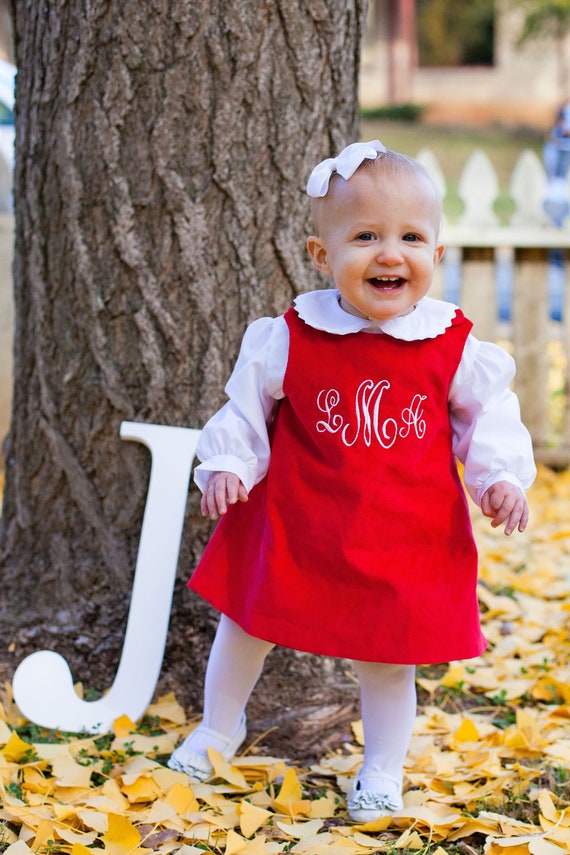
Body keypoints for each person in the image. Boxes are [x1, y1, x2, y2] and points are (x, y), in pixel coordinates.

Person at [168, 140, 536, 822]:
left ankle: (382, 766)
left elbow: (489, 420)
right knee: (246, 622)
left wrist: (500, 479)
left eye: (411, 237)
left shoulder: (452, 343)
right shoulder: (292, 335)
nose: (390, 253)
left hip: (402, 532)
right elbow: (245, 409)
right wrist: (227, 462)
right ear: (321, 255)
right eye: (365, 236)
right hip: (296, 520)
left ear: (438, 254)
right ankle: (220, 724)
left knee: (389, 658)